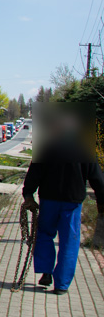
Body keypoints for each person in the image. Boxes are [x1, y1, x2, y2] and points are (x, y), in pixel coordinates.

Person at [22, 102, 104, 295]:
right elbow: (98, 180)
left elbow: (34, 173)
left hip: (49, 199)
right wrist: (101, 202)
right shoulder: (85, 150)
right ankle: (62, 285)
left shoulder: (48, 147)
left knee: (44, 234)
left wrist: (28, 194)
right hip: (72, 203)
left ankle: (46, 271)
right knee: (69, 241)